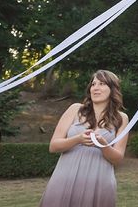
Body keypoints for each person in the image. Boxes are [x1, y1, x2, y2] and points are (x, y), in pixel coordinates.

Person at [39, 70, 129, 207]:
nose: (96, 88)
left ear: (112, 89)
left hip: (99, 181)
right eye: (93, 84)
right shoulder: (75, 109)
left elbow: (117, 159)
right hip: (65, 178)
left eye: (102, 84)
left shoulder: (121, 118)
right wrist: (77, 139)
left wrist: (103, 144)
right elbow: (53, 146)